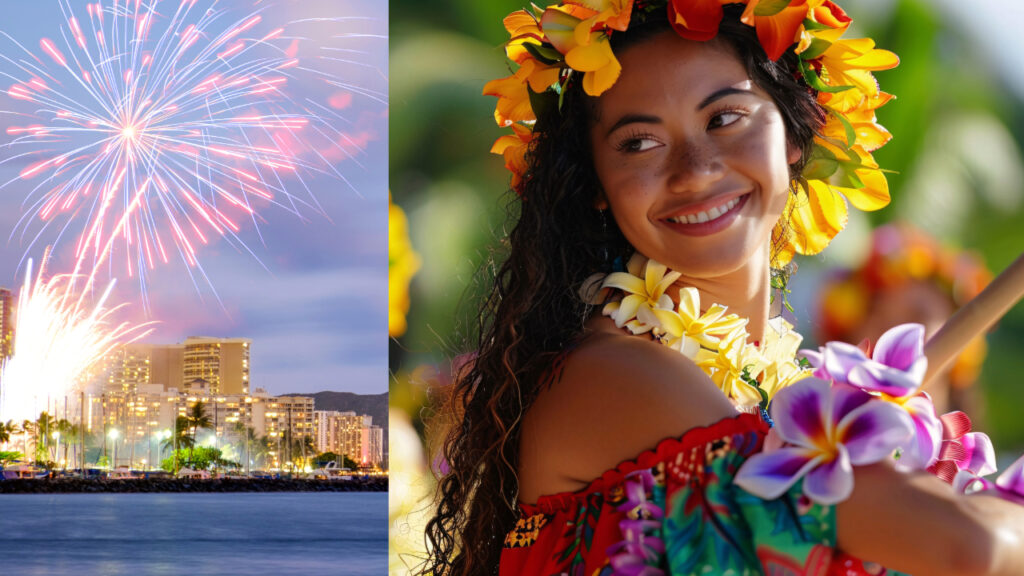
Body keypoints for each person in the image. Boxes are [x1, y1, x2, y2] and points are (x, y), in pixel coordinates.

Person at [421, 2, 1024, 575]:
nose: (696, 169)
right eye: (640, 142)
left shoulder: (784, 390)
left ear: (795, 132)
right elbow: (967, 547)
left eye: (725, 117)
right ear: (597, 186)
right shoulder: (615, 376)